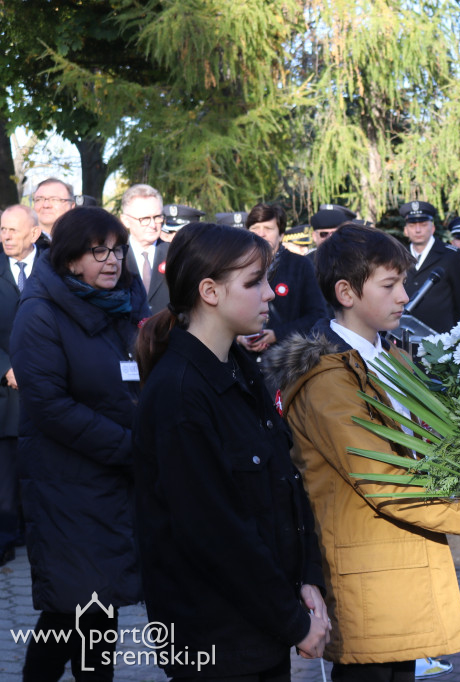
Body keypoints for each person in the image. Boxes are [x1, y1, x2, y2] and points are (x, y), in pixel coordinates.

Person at [263, 223, 460, 682]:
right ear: (346, 292)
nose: (404, 296)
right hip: (369, 578)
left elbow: (436, 456)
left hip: (399, 570)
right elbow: (389, 484)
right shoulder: (328, 380)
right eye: (389, 285)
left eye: (403, 282)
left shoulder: (392, 358)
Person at [133, 222, 330, 680]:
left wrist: (306, 577)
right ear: (210, 291)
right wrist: (291, 620)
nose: (270, 295)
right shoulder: (179, 393)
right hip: (215, 643)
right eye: (253, 282)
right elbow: (214, 531)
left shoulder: (239, 368)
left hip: (259, 630)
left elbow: (284, 484)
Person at [11, 206, 149, 681]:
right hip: (67, 485)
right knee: (74, 610)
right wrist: (131, 447)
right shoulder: (40, 312)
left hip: (114, 486)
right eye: (98, 251)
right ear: (71, 259)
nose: (112, 261)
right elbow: (49, 406)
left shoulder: (124, 304)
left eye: (117, 250)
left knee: (99, 608)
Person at [0, 204, 42, 566]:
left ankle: (38, 533)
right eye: (2, 230)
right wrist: (7, 367)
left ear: (34, 233)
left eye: (13, 230)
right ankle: (5, 533)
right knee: (6, 468)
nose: (5, 237)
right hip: (5, 388)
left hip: (47, 382)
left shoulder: (55, 268)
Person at [239, 203, 327, 356]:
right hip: (245, 361)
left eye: (268, 228)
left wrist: (277, 334)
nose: (261, 234)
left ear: (281, 234)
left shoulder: (300, 265)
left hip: (286, 361)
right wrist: (239, 337)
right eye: (255, 228)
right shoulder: (238, 266)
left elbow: (318, 316)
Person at [400, 201, 460, 334]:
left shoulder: (450, 256)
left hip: (440, 340)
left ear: (432, 228)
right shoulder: (398, 256)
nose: (417, 230)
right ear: (406, 230)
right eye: (412, 225)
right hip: (404, 340)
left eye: (423, 224)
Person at [120, 183, 171, 313]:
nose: (153, 225)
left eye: (157, 217)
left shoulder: (175, 254)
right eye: (145, 219)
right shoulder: (116, 256)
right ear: (126, 220)